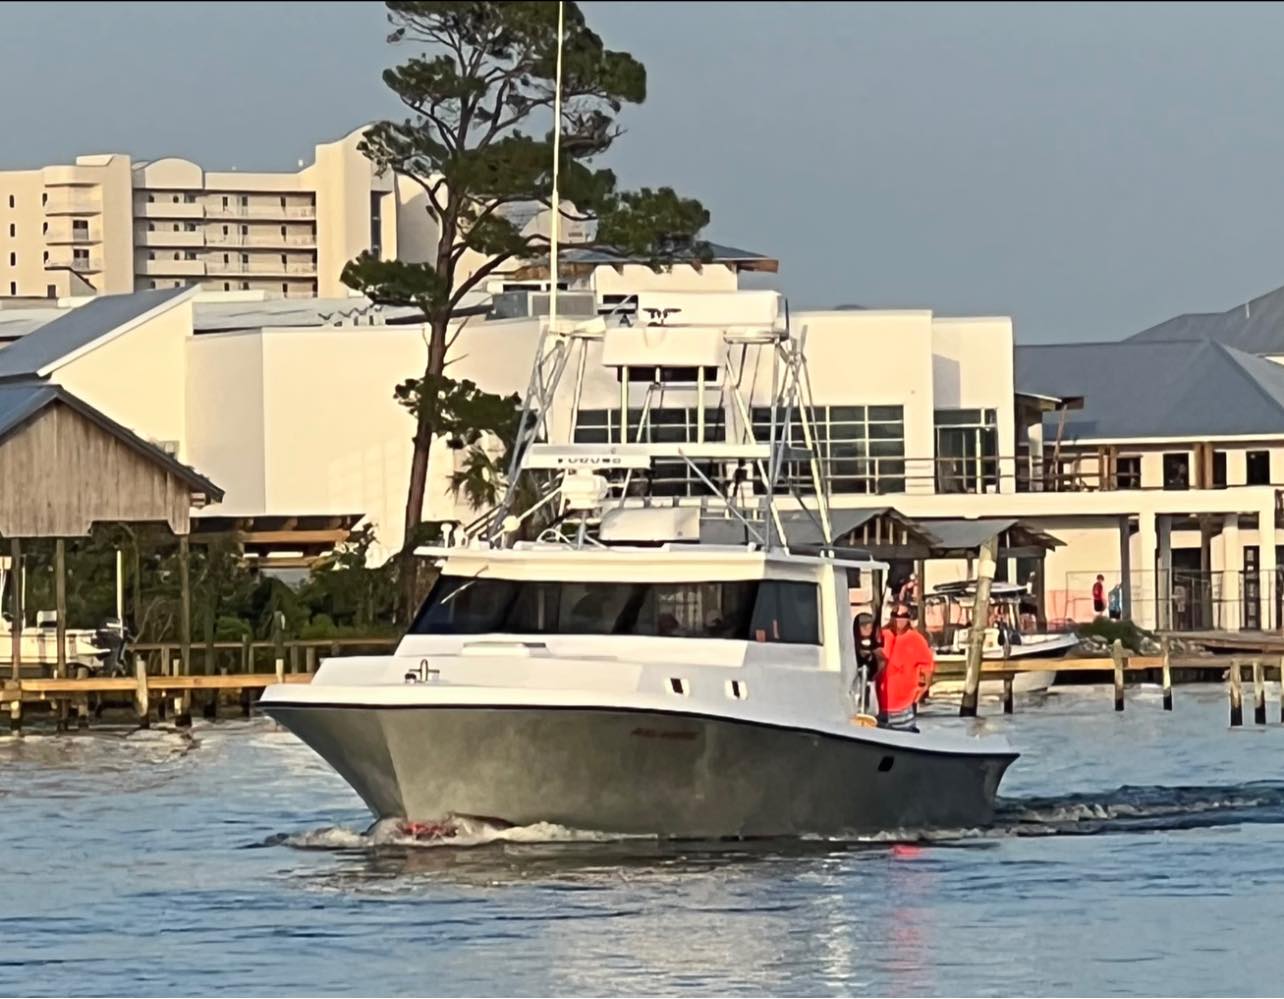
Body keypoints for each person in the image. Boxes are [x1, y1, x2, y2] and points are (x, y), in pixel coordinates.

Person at [877, 603, 935, 732]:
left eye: (904, 616)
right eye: (896, 615)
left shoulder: (916, 639)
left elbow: (928, 667)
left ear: (909, 618)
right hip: (879, 704)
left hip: (905, 705)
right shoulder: (882, 635)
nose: (900, 619)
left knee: (904, 738)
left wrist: (920, 693)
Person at [852, 612, 884, 714]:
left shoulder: (876, 645)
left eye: (870, 627)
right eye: (864, 626)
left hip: (871, 685)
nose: (868, 629)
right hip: (856, 686)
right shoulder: (852, 646)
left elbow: (881, 664)